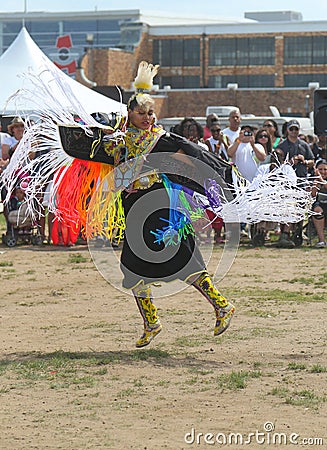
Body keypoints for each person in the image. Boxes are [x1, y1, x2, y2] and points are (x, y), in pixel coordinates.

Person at [311, 159, 327, 247]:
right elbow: (312, 195)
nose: (323, 172)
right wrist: (316, 181)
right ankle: (321, 240)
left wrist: (321, 179)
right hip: (318, 204)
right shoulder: (311, 178)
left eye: (325, 169)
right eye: (320, 169)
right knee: (317, 211)